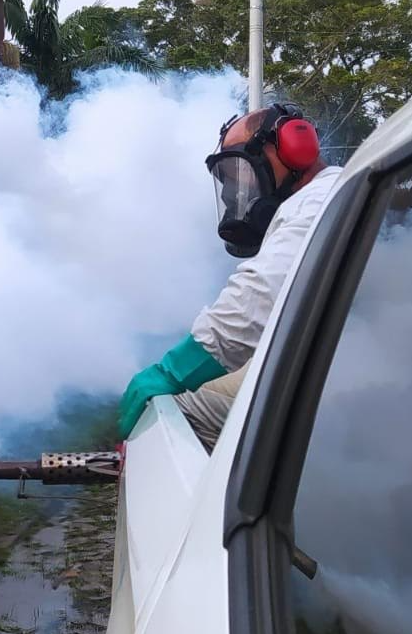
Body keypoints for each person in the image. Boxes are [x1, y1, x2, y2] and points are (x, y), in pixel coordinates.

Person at [118, 103, 343, 452]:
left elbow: (259, 299)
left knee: (180, 413)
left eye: (243, 171)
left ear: (293, 148)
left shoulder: (316, 201)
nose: (239, 191)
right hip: (341, 376)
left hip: (337, 392)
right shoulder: (334, 193)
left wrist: (172, 372)